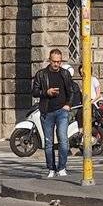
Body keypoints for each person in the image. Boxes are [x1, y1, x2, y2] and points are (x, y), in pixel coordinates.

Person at [30, 48, 78, 179]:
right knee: (49, 142)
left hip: (62, 111)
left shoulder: (65, 74)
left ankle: (62, 167)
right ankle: (51, 168)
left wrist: (68, 105)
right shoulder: (41, 74)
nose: (56, 64)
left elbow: (71, 90)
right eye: (54, 61)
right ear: (49, 61)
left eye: (59, 61)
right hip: (47, 111)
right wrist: (47, 92)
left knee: (63, 140)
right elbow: (34, 91)